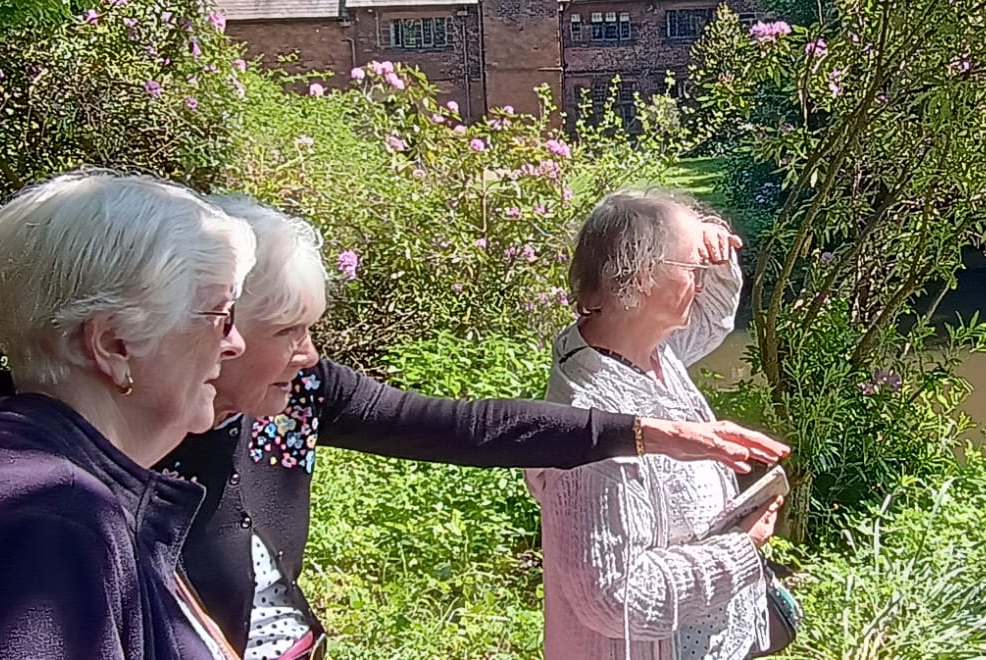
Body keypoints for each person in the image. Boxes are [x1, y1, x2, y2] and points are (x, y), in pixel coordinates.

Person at [156, 194, 791, 660]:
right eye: (288, 331)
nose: (309, 353)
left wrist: (643, 433)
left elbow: (465, 428)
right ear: (218, 330)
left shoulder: (304, 391)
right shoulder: (136, 451)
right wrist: (732, 544)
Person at [0, 170, 258, 660]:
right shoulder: (45, 523)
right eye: (222, 316)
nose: (235, 344)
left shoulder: (33, 483)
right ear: (114, 345)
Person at [527, 191, 782, 660]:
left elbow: (712, 318)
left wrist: (709, 243)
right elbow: (614, 598)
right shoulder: (593, 427)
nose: (701, 283)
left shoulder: (643, 351)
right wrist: (741, 549)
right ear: (644, 277)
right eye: (694, 269)